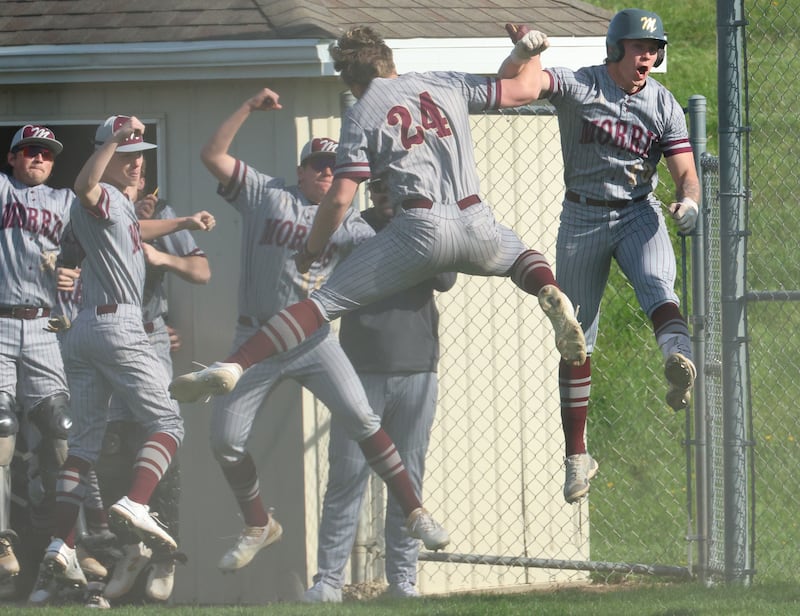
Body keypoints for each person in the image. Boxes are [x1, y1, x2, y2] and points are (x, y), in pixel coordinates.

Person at [171, 28, 583, 429]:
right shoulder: (441, 81)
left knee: (321, 304)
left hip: (420, 228)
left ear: (351, 81)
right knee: (523, 259)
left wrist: (312, 250)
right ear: (390, 61)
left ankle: (235, 364)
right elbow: (524, 89)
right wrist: (526, 52)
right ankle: (549, 291)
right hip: (476, 220)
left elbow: (339, 199)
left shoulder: (363, 111)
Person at [197, 90, 447, 575]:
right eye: (318, 165)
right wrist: (246, 106)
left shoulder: (351, 224)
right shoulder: (266, 193)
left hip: (312, 341)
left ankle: (415, 510)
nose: (327, 172)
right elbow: (212, 155)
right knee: (224, 441)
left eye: (336, 167)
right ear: (301, 171)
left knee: (363, 419)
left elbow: (410, 259)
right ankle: (257, 524)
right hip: (256, 342)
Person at [502, 10, 701, 503]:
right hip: (583, 216)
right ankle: (577, 457)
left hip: (638, 211)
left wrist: (690, 200)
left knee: (657, 286)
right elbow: (514, 88)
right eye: (639, 47)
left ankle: (679, 360)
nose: (648, 57)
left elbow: (685, 172)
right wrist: (525, 52)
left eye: (654, 48)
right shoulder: (580, 85)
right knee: (575, 337)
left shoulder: (662, 104)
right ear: (615, 48)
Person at [40, 115, 216, 591]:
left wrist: (183, 220)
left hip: (84, 332)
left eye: (141, 154)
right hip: (118, 326)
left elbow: (135, 229)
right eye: (127, 154)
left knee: (82, 446)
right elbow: (84, 185)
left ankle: (60, 543)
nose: (137, 163)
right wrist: (113, 141)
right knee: (169, 422)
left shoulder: (118, 204)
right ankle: (137, 502)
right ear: (107, 153)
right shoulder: (101, 195)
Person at [303, 178, 456, 603]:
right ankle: (329, 582)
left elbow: (446, 277)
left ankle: (402, 581)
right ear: (371, 189)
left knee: (408, 478)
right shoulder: (355, 228)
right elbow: (322, 270)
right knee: (347, 476)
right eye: (380, 186)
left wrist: (419, 223)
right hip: (358, 371)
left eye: (395, 186)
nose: (386, 193)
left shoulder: (425, 226)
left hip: (417, 368)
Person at [98, 166, 211, 604]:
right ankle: (132, 549)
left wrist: (160, 256)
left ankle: (166, 552)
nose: (132, 176)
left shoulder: (164, 214)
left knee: (160, 439)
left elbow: (201, 271)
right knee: (109, 445)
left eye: (139, 169)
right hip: (104, 332)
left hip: (148, 333)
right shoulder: (91, 208)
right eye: (123, 166)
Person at [0, 125, 74, 592]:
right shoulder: (3, 190)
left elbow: (119, 230)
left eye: (46, 153)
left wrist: (76, 269)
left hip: (48, 324)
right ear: (12, 158)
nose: (39, 158)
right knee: (1, 430)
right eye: (29, 151)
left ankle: (69, 543)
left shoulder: (67, 201)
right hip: (2, 320)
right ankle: (1, 539)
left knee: (63, 432)